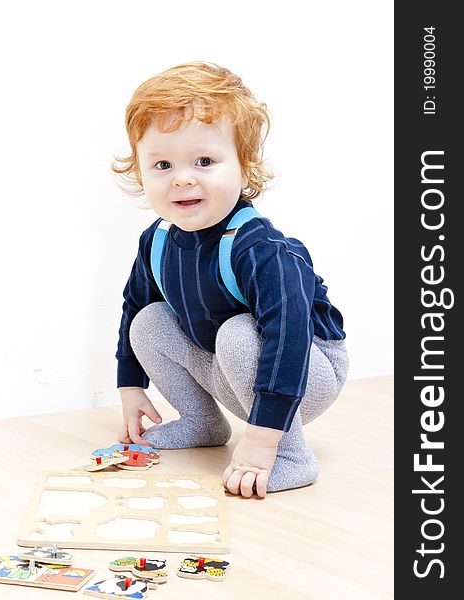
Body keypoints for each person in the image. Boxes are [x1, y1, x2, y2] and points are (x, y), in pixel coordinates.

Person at [112, 61, 349, 498]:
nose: (183, 177)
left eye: (204, 160)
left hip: (305, 372)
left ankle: (291, 453)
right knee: (148, 318)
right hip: (230, 368)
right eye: (162, 164)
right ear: (140, 171)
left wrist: (260, 442)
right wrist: (130, 385)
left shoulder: (260, 248)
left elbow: (289, 336)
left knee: (238, 332)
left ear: (245, 166)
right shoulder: (158, 240)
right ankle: (203, 421)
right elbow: (132, 308)